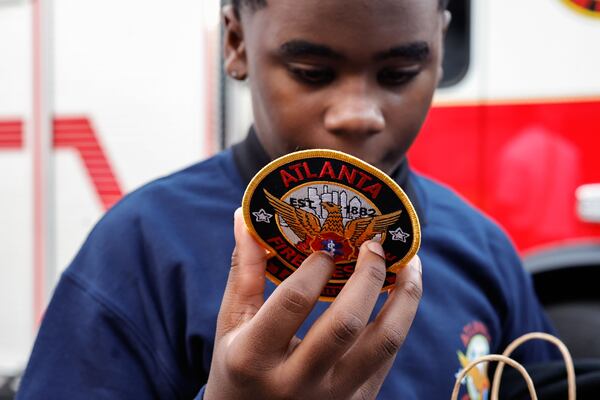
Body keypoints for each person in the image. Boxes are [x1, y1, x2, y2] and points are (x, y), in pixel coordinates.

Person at [17, 0, 560, 399]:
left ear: (441, 48)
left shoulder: (483, 249)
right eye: (312, 73)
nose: (358, 113)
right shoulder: (141, 248)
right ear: (235, 42)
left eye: (399, 73)